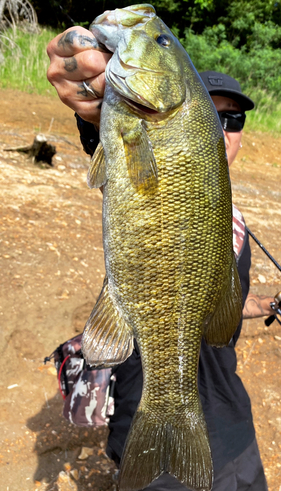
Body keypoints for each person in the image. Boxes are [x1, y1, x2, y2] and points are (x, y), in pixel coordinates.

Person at [47, 26, 279, 491]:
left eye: (233, 121)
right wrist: (94, 110)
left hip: (234, 431)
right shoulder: (142, 146)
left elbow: (219, 313)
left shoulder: (230, 215)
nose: (224, 128)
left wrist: (271, 304)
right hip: (151, 430)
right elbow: (114, 146)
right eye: (212, 115)